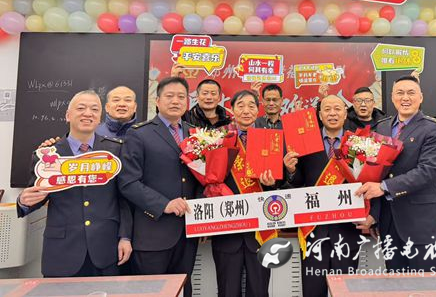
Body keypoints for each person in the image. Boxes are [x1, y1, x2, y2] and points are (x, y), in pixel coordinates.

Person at [17, 90, 132, 277]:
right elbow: (37, 195)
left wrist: (125, 236)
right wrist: (23, 201)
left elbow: (124, 198)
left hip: (106, 249)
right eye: (81, 108)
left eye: (94, 109)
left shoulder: (116, 150)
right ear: (68, 115)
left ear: (100, 117)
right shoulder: (47, 154)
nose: (88, 113)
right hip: (62, 252)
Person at [355, 76, 436, 272]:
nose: (405, 98)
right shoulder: (382, 127)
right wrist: (374, 214)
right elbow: (375, 174)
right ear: (392, 97)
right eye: (400, 93)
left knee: (425, 284)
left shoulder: (434, 128)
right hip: (389, 222)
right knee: (395, 282)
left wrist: (384, 187)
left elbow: (427, 171)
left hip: (421, 223)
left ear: (421, 97)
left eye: (411, 93)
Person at [119, 77, 200, 297]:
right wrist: (164, 204)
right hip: (152, 233)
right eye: (169, 96)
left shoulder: (196, 134)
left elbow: (203, 179)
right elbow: (128, 183)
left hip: (188, 233)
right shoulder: (139, 133)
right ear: (157, 101)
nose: (175, 101)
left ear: (187, 102)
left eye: (181, 96)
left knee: (183, 290)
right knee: (151, 292)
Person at [285, 95, 363, 297]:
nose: (332, 113)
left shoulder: (357, 143)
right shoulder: (305, 141)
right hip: (314, 229)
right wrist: (291, 170)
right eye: (327, 109)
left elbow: (366, 181)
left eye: (337, 109)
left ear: (345, 114)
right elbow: (298, 181)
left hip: (346, 229)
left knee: (345, 291)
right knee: (313, 289)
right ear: (319, 115)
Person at [211, 90, 277, 297]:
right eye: (241, 105)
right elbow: (206, 179)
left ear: (258, 110)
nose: (246, 110)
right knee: (227, 290)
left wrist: (272, 184)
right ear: (232, 109)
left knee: (259, 290)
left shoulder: (271, 139)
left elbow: (283, 184)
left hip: (260, 231)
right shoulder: (218, 138)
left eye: (251, 105)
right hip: (226, 228)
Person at [172, 63, 231, 129]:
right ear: (197, 96)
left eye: (213, 93)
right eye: (205, 93)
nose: (209, 97)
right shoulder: (185, 118)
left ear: (219, 98)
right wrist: (174, 79)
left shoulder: (227, 122)